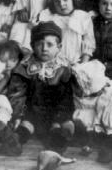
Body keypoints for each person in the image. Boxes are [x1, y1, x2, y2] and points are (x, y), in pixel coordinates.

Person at [7, 21, 75, 154]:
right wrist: (18, 114)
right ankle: (16, 141)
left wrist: (62, 115)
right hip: (32, 110)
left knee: (57, 123)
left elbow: (67, 96)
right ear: (32, 46)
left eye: (50, 44)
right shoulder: (25, 67)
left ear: (59, 47)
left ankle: (57, 143)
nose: (44, 48)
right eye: (39, 44)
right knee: (27, 124)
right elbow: (18, 93)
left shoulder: (63, 68)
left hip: (54, 111)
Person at [38, 0, 96, 65]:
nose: (61, 4)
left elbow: (88, 44)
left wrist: (82, 66)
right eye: (57, 1)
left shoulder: (82, 17)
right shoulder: (49, 17)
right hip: (52, 63)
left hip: (77, 63)